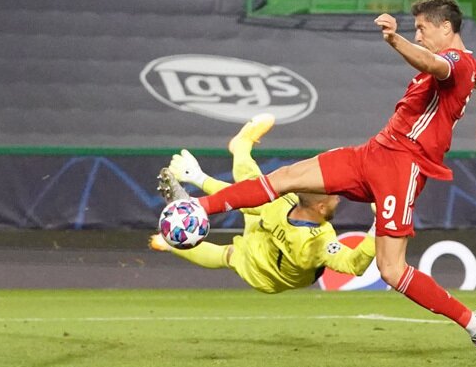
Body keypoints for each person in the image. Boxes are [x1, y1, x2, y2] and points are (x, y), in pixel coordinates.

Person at [159, 0, 476, 360]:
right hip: (375, 152)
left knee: (391, 269)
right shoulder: (474, 67)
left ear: (446, 27)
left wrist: (395, 40)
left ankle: (474, 324)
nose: (417, 34)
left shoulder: (457, 62)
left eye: (422, 28)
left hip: (404, 166)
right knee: (287, 177)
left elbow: (433, 63)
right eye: (414, 29)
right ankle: (198, 208)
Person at [151, 114, 377, 294]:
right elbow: (355, 265)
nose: (339, 197)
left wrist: (199, 179)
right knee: (228, 253)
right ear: (320, 208)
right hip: (266, 275)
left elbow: (235, 197)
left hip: (263, 246)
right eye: (334, 195)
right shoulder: (317, 243)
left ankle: (240, 147)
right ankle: (170, 243)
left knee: (251, 190)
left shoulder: (282, 203)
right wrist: (380, 225)